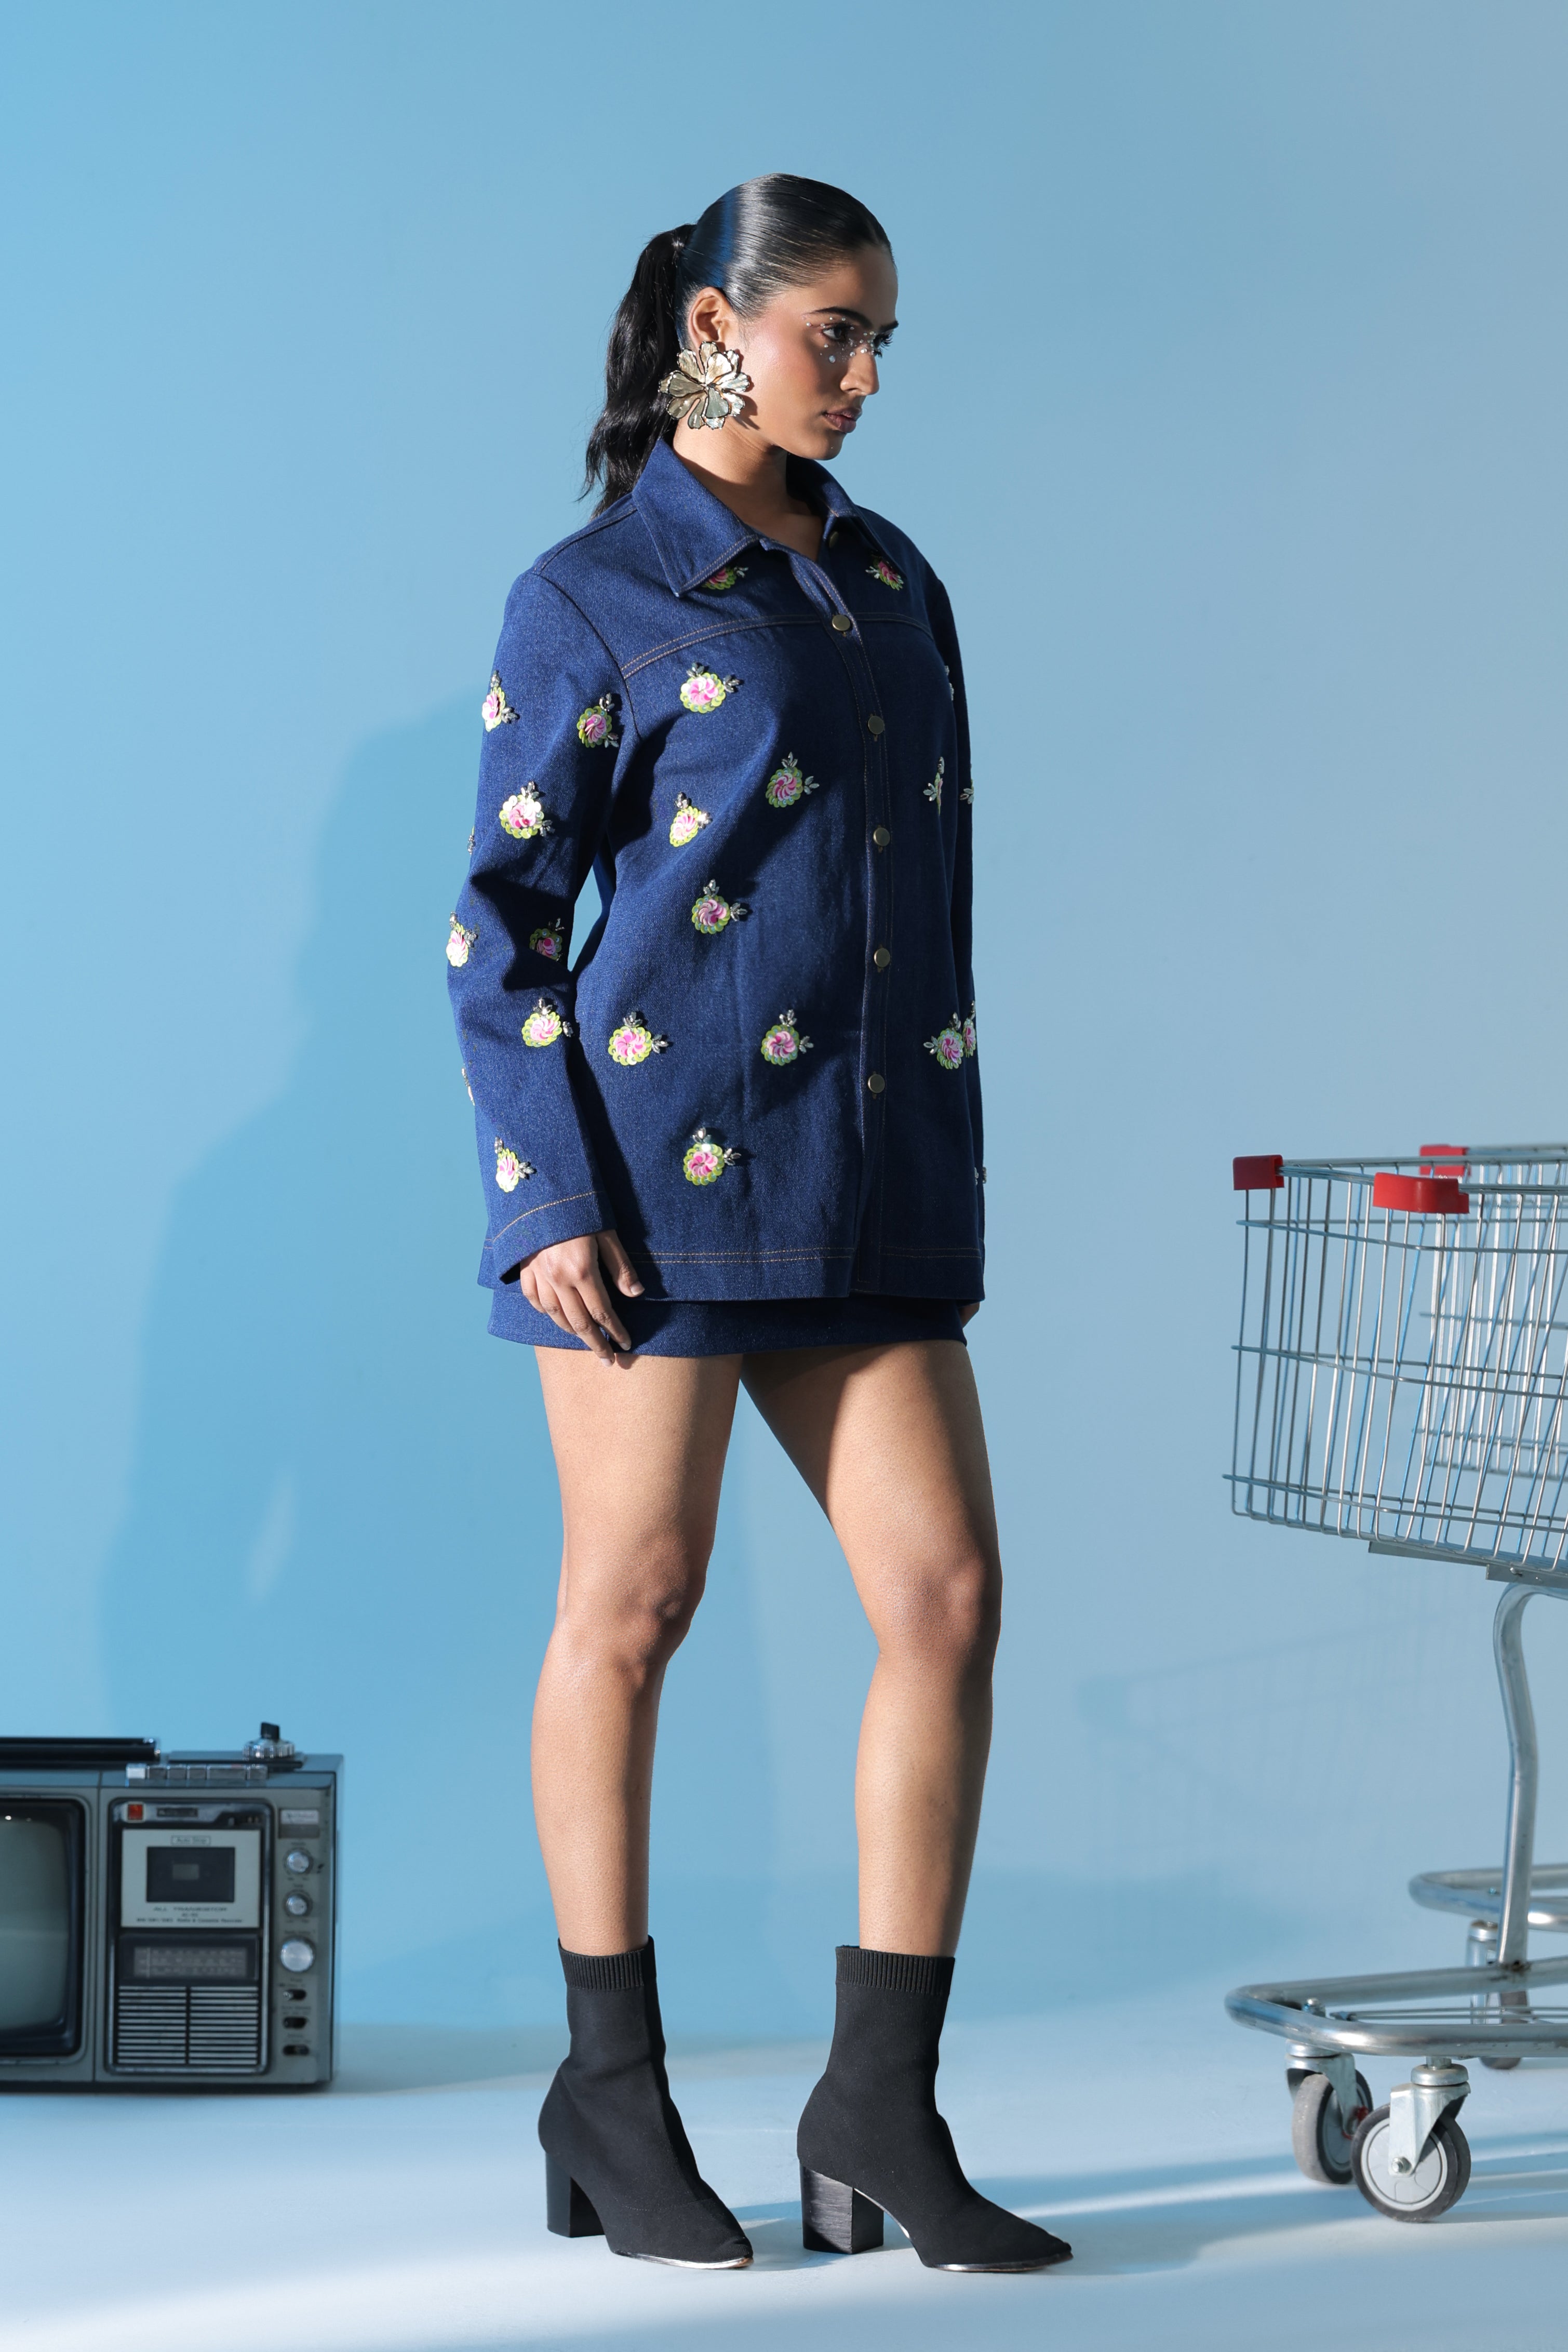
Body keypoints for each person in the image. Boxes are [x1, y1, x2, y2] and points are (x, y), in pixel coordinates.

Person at [448, 173, 1069, 2277]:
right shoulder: (591, 594)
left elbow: (924, 890)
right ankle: (606, 2096)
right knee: (632, 1607)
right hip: (651, 1195)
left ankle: (874, 2104)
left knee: (948, 1596)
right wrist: (542, 1194)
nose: (867, 376)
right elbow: (500, 925)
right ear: (717, 326)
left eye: (883, 339)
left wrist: (942, 1132)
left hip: (870, 1176)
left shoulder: (889, 578)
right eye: (837, 333)